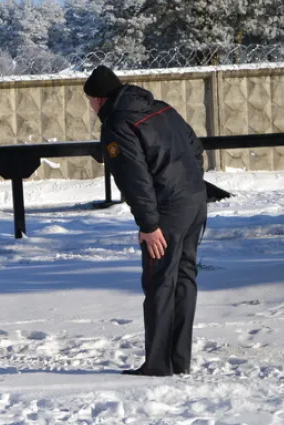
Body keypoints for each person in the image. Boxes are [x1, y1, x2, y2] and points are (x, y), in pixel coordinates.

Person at [84, 65, 207, 376]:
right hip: (194, 201)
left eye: (89, 100)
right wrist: (188, 184)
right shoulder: (160, 108)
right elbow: (195, 147)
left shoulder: (117, 123)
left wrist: (149, 226)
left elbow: (134, 178)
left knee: (159, 282)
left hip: (166, 210)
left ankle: (157, 364)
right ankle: (179, 360)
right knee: (183, 278)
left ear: (98, 99)